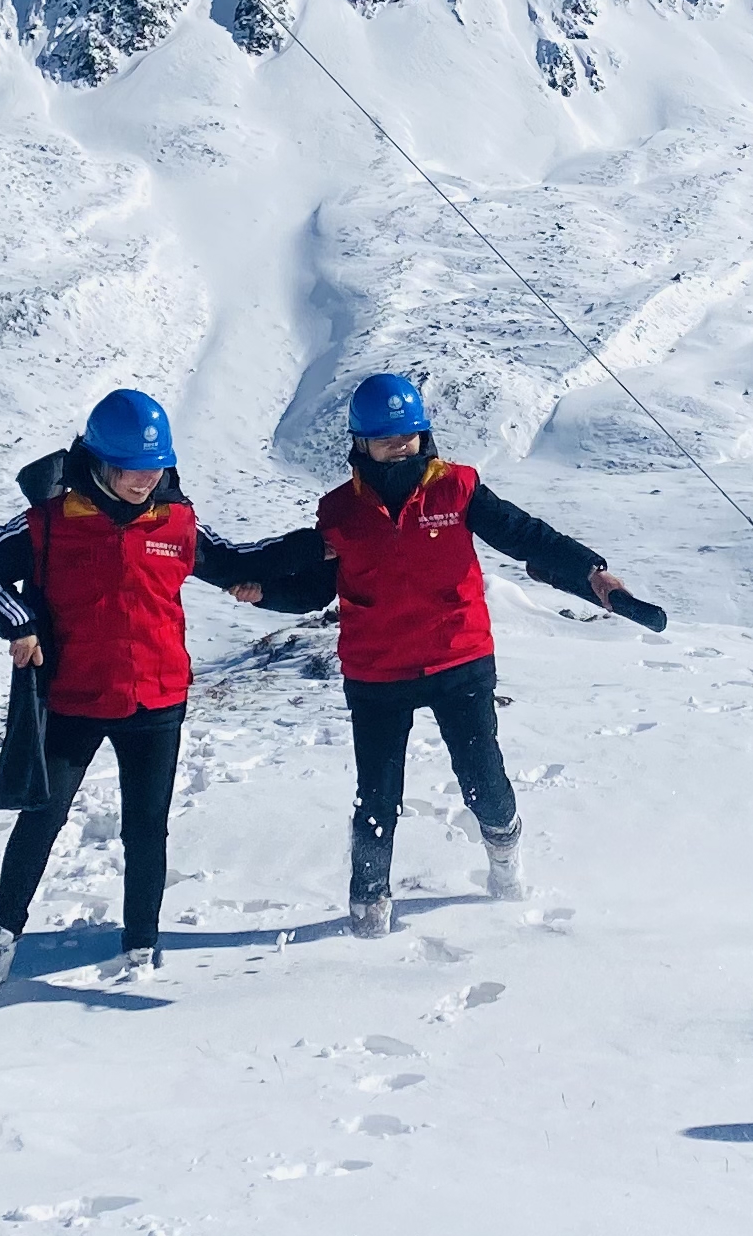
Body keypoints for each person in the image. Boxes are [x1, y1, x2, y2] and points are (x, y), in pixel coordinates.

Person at [250, 372, 650, 936]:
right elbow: (319, 586)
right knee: (376, 796)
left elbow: (526, 536)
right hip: (377, 670)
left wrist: (591, 572)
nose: (400, 445)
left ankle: (505, 856)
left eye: (409, 434)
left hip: (456, 659)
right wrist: (265, 593)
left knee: (483, 778)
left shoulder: (456, 488)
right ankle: (368, 907)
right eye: (386, 437)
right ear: (360, 443)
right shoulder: (339, 511)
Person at [0, 389, 285, 988]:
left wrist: (308, 558)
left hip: (157, 701)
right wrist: (18, 623)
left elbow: (231, 560)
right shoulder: (51, 523)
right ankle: (1, 939)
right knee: (41, 817)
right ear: (99, 461)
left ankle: (140, 948)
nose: (142, 480)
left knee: (146, 827)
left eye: (154, 467)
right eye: (130, 467)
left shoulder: (176, 522)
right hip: (74, 699)